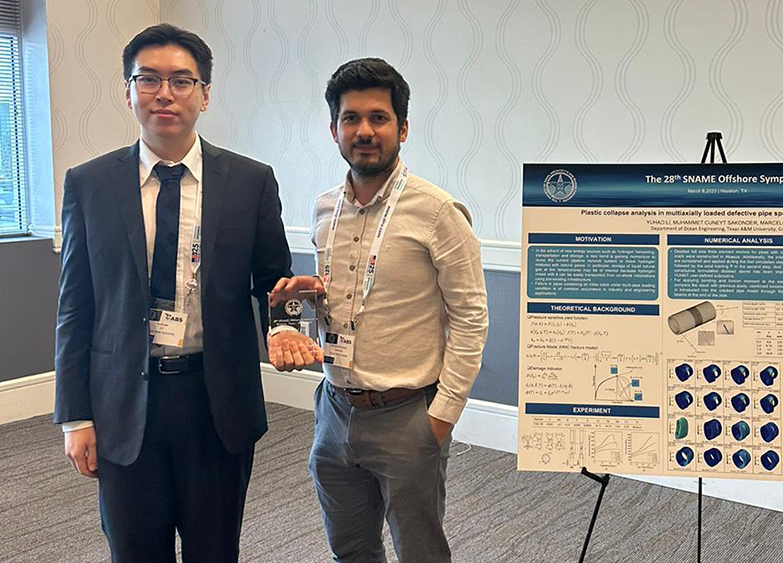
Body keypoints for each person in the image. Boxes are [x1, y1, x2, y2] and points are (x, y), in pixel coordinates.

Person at [54, 23, 302, 563]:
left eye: (182, 81)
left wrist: (285, 328)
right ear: (128, 90)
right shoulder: (89, 184)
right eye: (148, 79)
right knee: (135, 551)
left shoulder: (250, 181)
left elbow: (275, 281)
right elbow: (76, 306)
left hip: (215, 401)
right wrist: (75, 416)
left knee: (215, 550)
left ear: (205, 95)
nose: (164, 93)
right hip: (122, 401)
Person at [268, 58, 489, 562]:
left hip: (408, 414)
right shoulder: (324, 209)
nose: (364, 131)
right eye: (351, 119)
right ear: (334, 129)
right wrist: (309, 295)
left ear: (402, 128)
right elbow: (352, 299)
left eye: (379, 118)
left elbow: (471, 318)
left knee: (420, 552)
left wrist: (442, 418)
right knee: (349, 547)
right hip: (335, 407)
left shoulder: (438, 213)